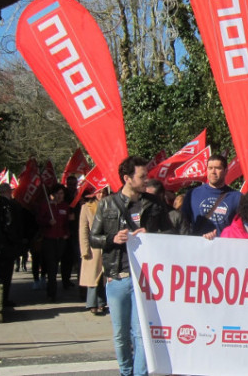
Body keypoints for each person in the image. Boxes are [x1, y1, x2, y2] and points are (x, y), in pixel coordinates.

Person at [90, 156, 175, 376]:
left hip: (145, 278)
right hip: (117, 275)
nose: (147, 179)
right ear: (127, 178)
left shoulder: (154, 203)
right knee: (120, 334)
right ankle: (125, 372)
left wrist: (152, 235)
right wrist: (112, 239)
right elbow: (94, 238)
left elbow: (170, 233)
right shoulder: (107, 203)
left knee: (141, 333)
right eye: (142, 176)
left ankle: (139, 374)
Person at [181, 154, 241, 238]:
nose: (213, 171)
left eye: (217, 168)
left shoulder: (237, 197)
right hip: (198, 246)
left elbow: (244, 227)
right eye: (210, 168)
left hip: (224, 247)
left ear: (226, 171)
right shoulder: (193, 194)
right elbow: (183, 224)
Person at [0, 183, 28, 306]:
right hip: (7, 244)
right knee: (6, 273)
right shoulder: (7, 206)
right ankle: (4, 298)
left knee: (0, 271)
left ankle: (2, 298)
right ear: (7, 192)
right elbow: (8, 225)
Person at [37, 183, 74, 302]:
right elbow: (39, 220)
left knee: (58, 263)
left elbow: (68, 224)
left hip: (61, 240)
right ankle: (51, 292)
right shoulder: (46, 206)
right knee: (52, 266)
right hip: (49, 240)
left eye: (62, 193)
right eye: (58, 193)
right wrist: (48, 222)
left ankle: (63, 283)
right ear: (53, 195)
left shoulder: (65, 206)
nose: (60, 196)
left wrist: (67, 233)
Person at [79, 187, 108, 315]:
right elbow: (83, 230)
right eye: (99, 192)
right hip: (93, 247)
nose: (101, 195)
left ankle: (102, 302)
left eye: (103, 192)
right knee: (92, 277)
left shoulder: (111, 205)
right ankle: (92, 303)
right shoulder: (87, 207)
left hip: (107, 245)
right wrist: (85, 249)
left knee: (104, 276)